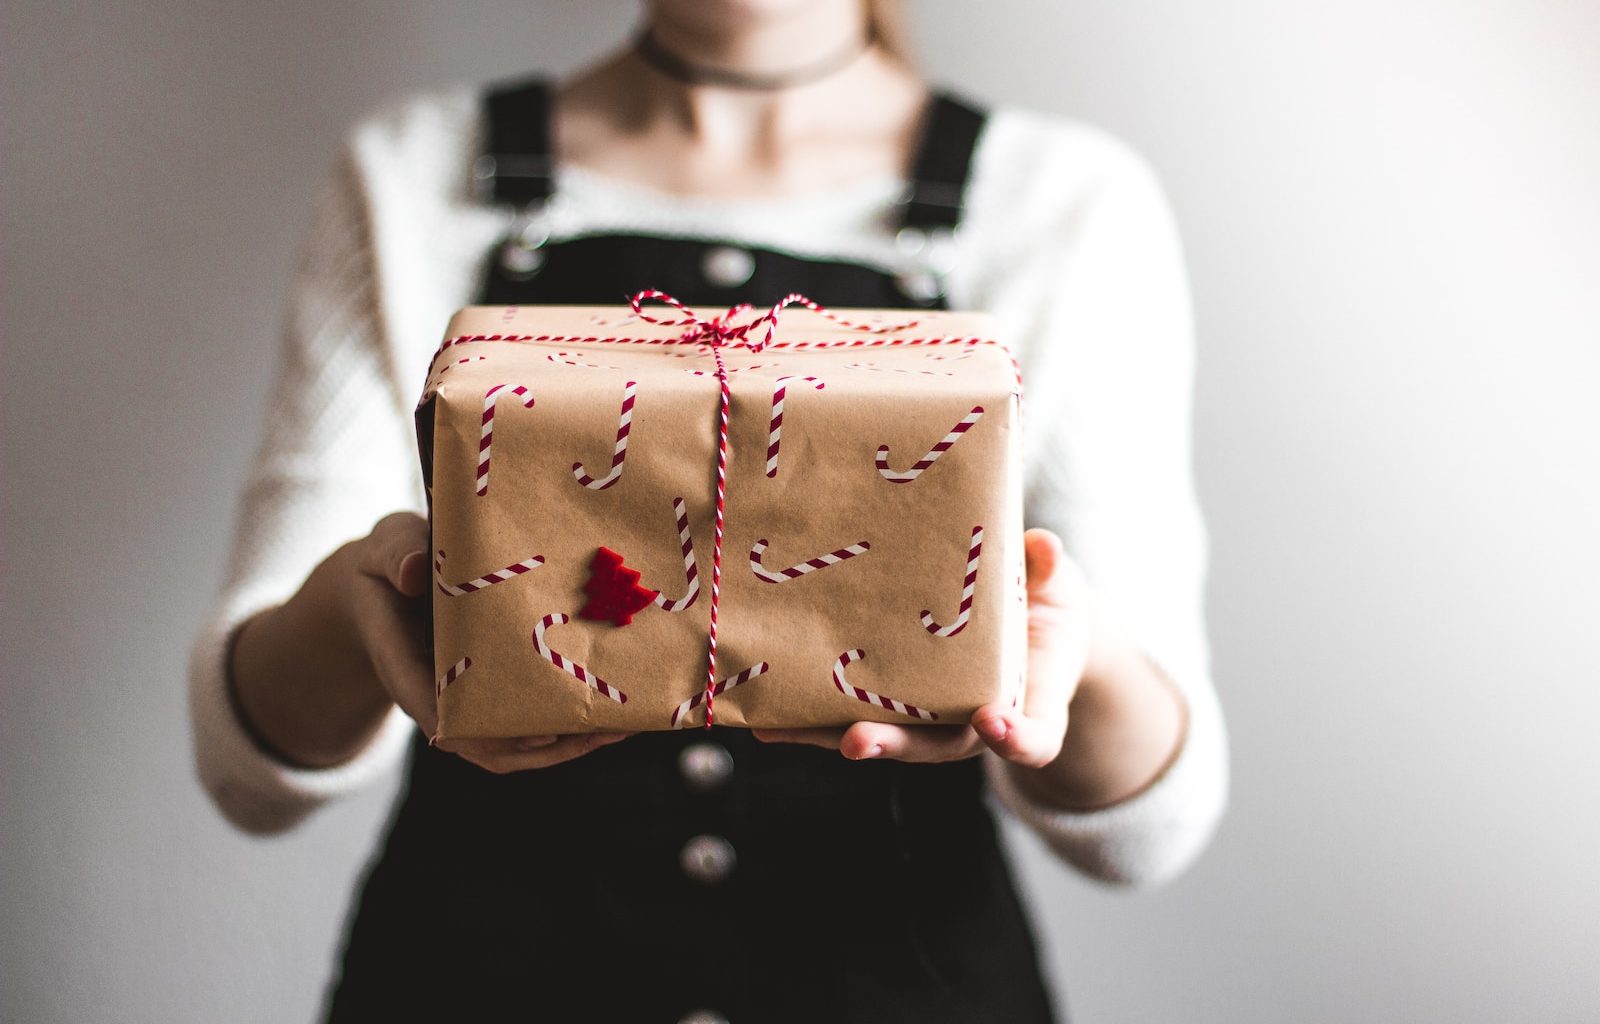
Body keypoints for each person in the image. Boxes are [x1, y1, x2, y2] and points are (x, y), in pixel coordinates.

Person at [189, 1, 1228, 1020]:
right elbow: (250, 775)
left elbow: (1150, 830)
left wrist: (1069, 658)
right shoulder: (415, 170)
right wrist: (354, 605)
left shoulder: (1064, 198)